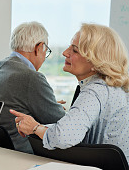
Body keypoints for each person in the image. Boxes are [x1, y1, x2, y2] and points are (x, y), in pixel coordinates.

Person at [11, 23, 129, 162]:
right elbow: (74, 129)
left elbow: (64, 136)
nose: (65, 52)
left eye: (75, 50)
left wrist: (35, 128)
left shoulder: (95, 91)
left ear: (96, 61)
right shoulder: (112, 87)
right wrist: (40, 127)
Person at [0, 21, 66, 153]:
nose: (44, 57)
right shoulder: (31, 77)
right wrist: (56, 109)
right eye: (46, 51)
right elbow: (62, 123)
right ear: (38, 48)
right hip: (24, 153)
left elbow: (16, 104)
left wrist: (49, 105)